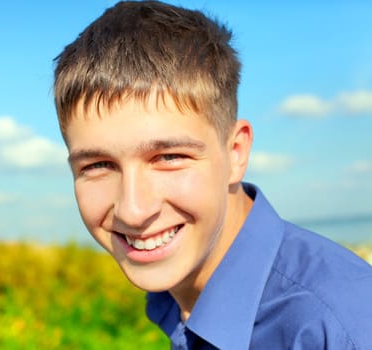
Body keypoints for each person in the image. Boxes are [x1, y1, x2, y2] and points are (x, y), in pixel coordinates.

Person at [52, 1, 372, 349]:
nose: (133, 210)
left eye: (169, 157)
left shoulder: (340, 328)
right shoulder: (177, 299)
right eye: (98, 165)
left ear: (236, 153)